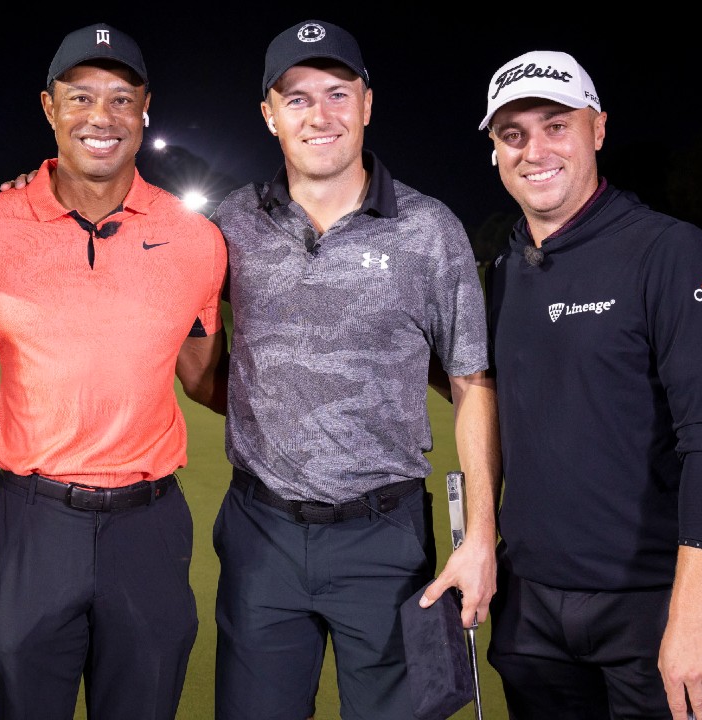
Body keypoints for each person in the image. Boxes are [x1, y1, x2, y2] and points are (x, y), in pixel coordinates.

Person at [0, 22, 228, 720]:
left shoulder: (195, 239)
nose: (102, 117)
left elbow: (200, 374)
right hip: (33, 524)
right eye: (81, 97)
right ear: (48, 107)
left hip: (149, 527)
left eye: (122, 99)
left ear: (145, 108)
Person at [208, 20, 500, 720]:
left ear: (367, 103)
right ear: (269, 114)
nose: (320, 115)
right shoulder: (229, 223)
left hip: (387, 537)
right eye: (298, 98)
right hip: (261, 535)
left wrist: (482, 536)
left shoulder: (429, 229)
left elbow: (471, 383)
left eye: (338, 93)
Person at [479, 50, 702, 720]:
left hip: (650, 606)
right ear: (493, 150)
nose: (534, 150)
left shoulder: (667, 250)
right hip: (531, 611)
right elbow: (495, 395)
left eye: (555, 125)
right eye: (513, 135)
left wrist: (692, 614)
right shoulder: (506, 268)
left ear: (597, 129)